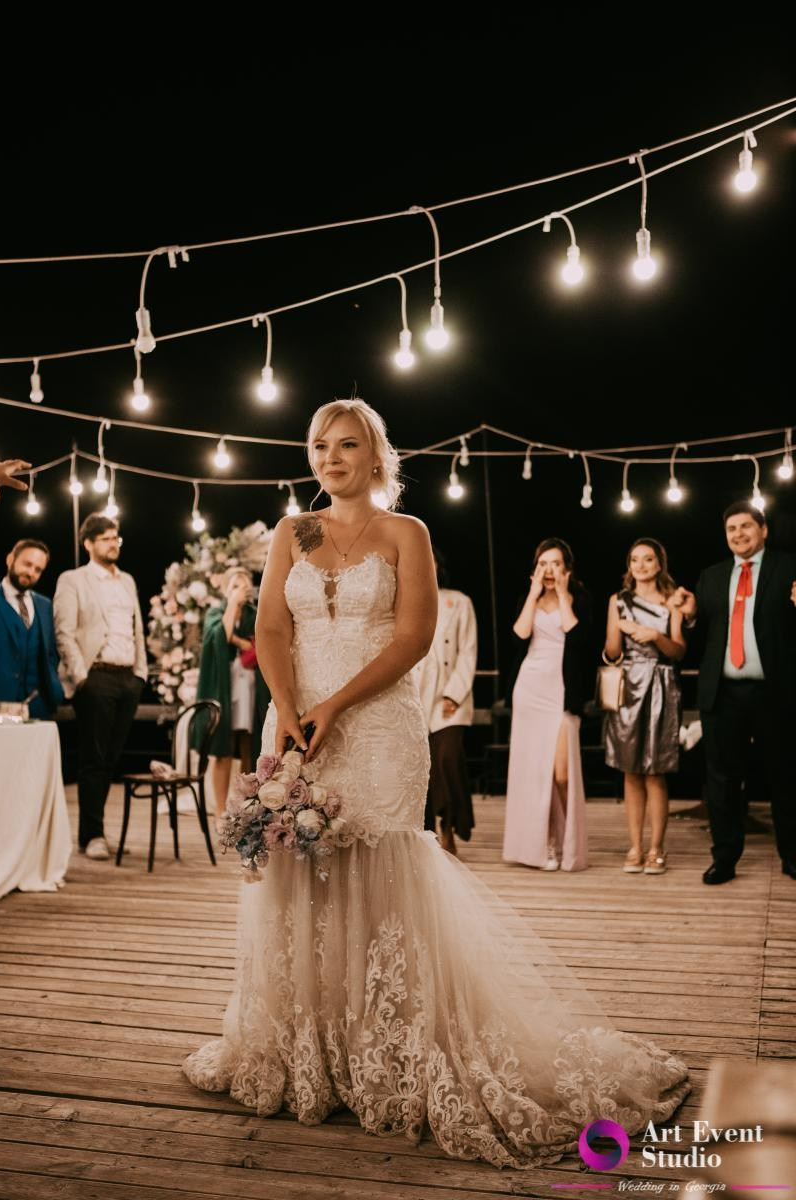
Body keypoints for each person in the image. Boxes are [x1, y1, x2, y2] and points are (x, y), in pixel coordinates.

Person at [182, 398, 689, 1170]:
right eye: (318, 446)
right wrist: (288, 710)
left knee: (382, 871)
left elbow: (415, 635)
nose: (330, 458)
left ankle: (386, 1042)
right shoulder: (296, 532)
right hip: (299, 726)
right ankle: (314, 1043)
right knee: (300, 867)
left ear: (375, 455)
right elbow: (274, 628)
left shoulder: (404, 532)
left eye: (346, 445)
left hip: (377, 727)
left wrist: (334, 706)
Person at [675, 502, 796, 885]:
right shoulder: (711, 576)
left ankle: (792, 856)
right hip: (723, 692)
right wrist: (691, 615)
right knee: (722, 781)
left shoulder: (789, 568)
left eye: (746, 526)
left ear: (764, 530)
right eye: (731, 528)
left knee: (786, 775)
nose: (739, 534)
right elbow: (702, 638)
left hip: (776, 691)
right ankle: (724, 858)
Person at [53, 514, 147, 860]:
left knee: (111, 758)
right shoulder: (73, 579)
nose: (113, 543)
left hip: (127, 677)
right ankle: (92, 836)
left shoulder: (128, 581)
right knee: (93, 759)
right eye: (105, 538)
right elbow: (64, 632)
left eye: (115, 537)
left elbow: (136, 628)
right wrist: (82, 676)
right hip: (96, 675)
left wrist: (140, 673)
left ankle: (96, 832)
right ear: (88, 543)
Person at [502, 539, 591, 872]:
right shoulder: (529, 598)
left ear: (567, 568)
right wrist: (533, 594)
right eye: (543, 563)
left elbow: (577, 637)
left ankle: (569, 842)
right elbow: (518, 637)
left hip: (563, 692)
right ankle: (545, 845)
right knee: (533, 771)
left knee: (561, 774)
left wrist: (564, 595)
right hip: (530, 689)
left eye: (555, 563)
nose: (549, 570)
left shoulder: (580, 599)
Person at [603, 539, 686, 875]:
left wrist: (654, 636)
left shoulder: (672, 599)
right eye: (634, 559)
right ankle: (635, 846)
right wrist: (617, 628)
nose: (640, 565)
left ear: (659, 564)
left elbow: (679, 651)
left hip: (661, 684)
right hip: (628, 685)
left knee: (655, 770)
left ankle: (657, 848)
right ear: (629, 565)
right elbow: (612, 652)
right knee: (631, 770)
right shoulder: (618, 600)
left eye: (648, 559)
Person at [192, 566, 270, 820]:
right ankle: (220, 810)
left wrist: (243, 641)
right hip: (224, 686)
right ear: (226, 589)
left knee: (250, 743)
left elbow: (262, 643)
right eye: (235, 586)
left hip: (250, 685)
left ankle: (248, 807)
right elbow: (220, 636)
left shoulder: (254, 614)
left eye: (244, 586)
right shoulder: (216, 612)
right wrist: (233, 608)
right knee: (222, 747)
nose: (240, 591)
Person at [414, 551, 477, 855]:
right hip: (416, 695)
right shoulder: (405, 602)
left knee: (448, 758)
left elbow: (468, 650)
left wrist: (454, 694)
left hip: (449, 696)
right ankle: (428, 831)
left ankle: (450, 823)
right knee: (420, 766)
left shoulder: (459, 601)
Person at [0, 539, 65, 718]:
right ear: (10, 559)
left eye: (38, 569)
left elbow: (50, 653)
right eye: (27, 564)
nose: (31, 572)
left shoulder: (45, 605)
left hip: (38, 705)